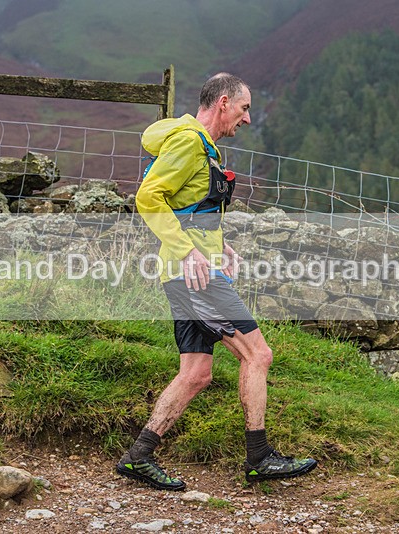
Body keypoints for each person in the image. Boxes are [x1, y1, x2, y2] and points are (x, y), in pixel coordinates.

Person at [116, 73, 317, 491]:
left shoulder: (203, 148)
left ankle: (138, 457)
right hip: (193, 276)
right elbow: (148, 197)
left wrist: (218, 247)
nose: (246, 119)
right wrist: (190, 252)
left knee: (195, 373)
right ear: (223, 102)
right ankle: (260, 458)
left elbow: (189, 207)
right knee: (258, 355)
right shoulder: (189, 142)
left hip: (190, 271)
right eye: (244, 109)